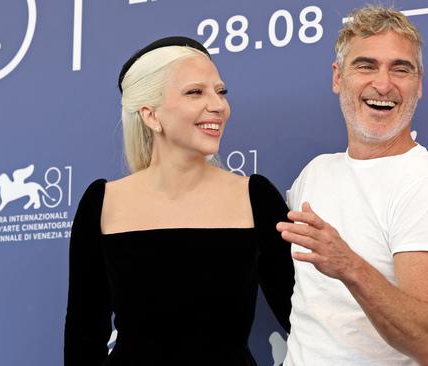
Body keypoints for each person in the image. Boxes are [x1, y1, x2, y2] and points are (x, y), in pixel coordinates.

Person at [64, 36, 294, 365]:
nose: (218, 105)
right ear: (150, 115)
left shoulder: (255, 197)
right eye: (195, 92)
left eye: (221, 91)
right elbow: (83, 339)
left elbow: (303, 320)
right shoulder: (102, 203)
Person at [276, 6, 428, 366]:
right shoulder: (315, 174)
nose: (383, 84)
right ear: (338, 77)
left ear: (419, 85)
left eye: (401, 69)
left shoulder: (427, 185)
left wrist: (349, 265)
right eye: (366, 65)